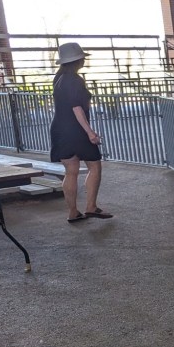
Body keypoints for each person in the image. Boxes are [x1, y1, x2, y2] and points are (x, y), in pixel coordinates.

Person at [49, 42, 113, 223]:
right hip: (76, 130)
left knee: (71, 171)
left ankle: (73, 212)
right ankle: (91, 207)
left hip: (59, 130)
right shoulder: (75, 80)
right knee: (94, 166)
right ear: (78, 60)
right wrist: (90, 132)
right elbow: (76, 108)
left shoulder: (59, 78)